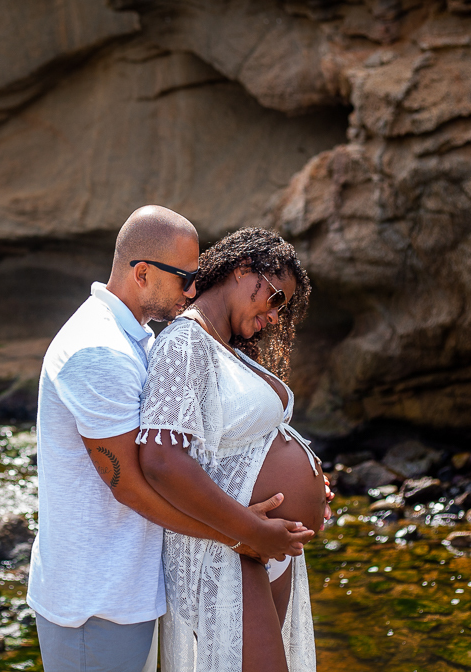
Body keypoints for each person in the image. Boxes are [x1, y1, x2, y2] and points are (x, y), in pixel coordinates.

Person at [28, 207, 315, 672]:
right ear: (142, 273)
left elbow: (198, 447)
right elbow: (134, 481)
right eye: (184, 277)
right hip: (95, 597)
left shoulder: (135, 339)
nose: (193, 289)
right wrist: (242, 533)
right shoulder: (98, 350)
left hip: (129, 586)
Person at [139, 227, 326, 672]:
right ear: (244, 271)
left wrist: (311, 480)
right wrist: (252, 531)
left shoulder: (224, 348)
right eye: (276, 298)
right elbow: (161, 460)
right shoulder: (184, 343)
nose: (276, 316)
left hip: (255, 545)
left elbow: (241, 444)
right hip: (224, 549)